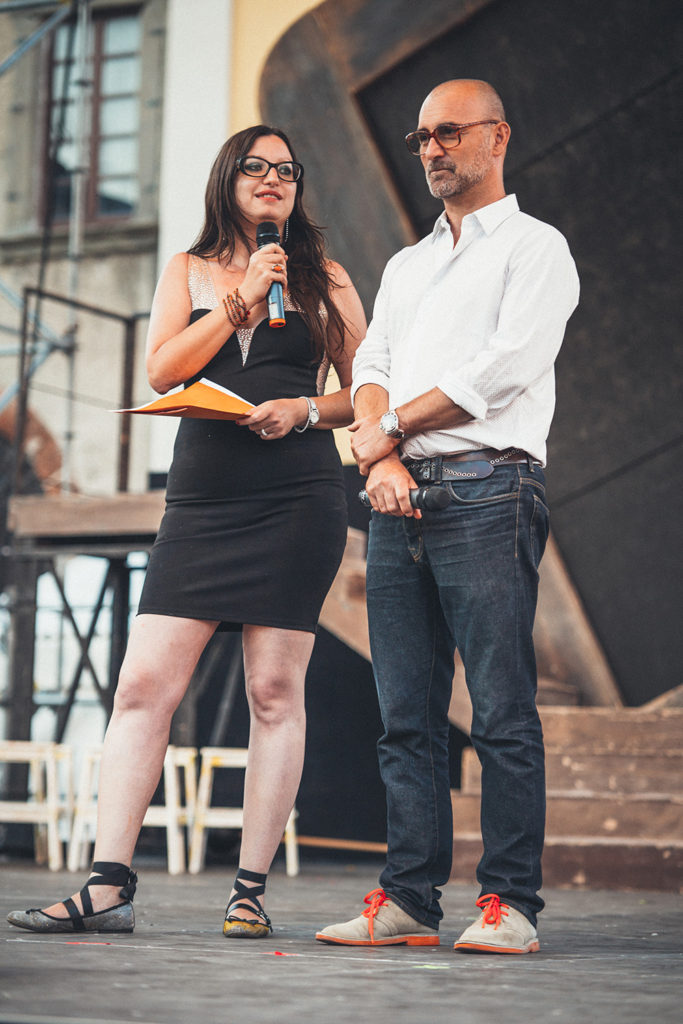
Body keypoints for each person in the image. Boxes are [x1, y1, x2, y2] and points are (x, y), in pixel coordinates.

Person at [7, 125, 366, 939]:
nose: (272, 179)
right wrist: (240, 300)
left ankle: (248, 891)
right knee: (142, 687)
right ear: (226, 179)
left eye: (286, 169)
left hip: (296, 495)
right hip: (203, 500)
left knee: (273, 692)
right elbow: (164, 369)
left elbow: (366, 391)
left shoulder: (326, 278)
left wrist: (304, 408)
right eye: (255, 167)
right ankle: (107, 886)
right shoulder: (188, 270)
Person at [316, 80, 579, 953]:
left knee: (500, 712)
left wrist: (386, 430)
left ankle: (510, 905)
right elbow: (371, 365)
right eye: (420, 137)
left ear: (496, 137)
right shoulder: (406, 265)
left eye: (448, 132)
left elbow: (500, 370)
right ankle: (408, 901)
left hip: (488, 489)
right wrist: (382, 457)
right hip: (398, 497)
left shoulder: (536, 249)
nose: (430, 148)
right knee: (405, 718)